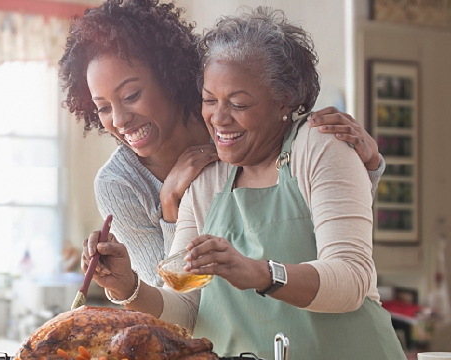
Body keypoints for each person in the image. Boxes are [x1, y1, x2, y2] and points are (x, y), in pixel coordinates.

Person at [82, 6, 405, 359]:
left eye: (238, 103)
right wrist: (127, 286)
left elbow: (351, 279)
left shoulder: (319, 145)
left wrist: (257, 272)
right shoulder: (206, 180)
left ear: (283, 99)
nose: (219, 118)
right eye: (208, 100)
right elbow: (188, 310)